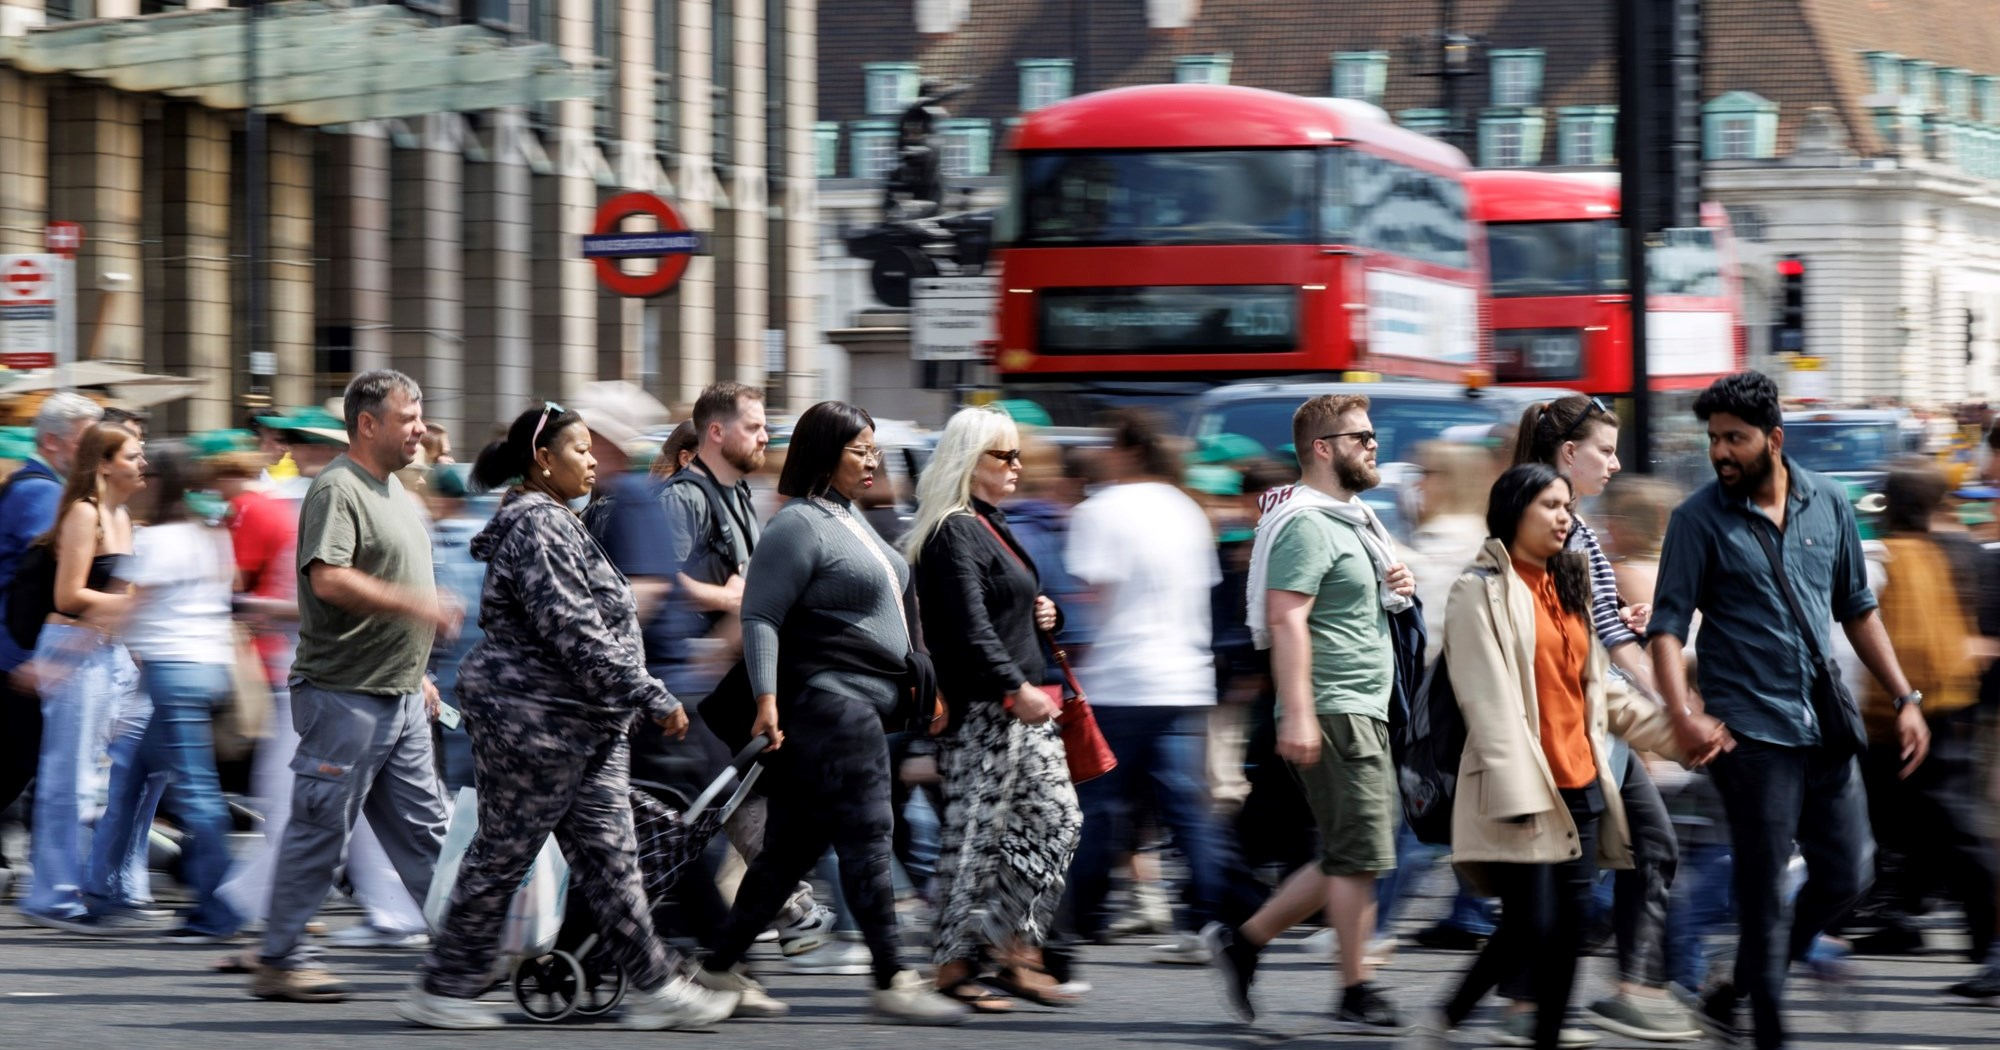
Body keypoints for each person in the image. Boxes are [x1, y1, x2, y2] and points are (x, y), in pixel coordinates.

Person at [399, 402, 735, 1031]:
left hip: (585, 726)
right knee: (503, 855)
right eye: (579, 449)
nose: (591, 460)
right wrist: (649, 693)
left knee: (614, 862)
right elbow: (575, 631)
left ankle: (656, 986)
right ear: (542, 460)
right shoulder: (538, 526)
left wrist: (630, 694)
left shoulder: (557, 519)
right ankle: (442, 987)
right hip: (538, 726)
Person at [1647, 371, 1925, 1050]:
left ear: (1774, 438)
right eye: (1713, 439)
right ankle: (1766, 1026)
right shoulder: (1697, 520)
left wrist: (1904, 696)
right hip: (1748, 730)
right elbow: (1666, 627)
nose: (1720, 452)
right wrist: (1682, 714)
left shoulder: (1829, 503)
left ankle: (1736, 986)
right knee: (1765, 887)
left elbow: (1858, 610)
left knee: (1849, 874)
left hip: (1824, 721)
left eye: (1735, 439)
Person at [696, 400, 969, 1026]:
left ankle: (716, 968)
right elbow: (760, 617)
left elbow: (895, 606)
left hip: (860, 708)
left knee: (788, 852)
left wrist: (926, 683)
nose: (872, 460)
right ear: (824, 454)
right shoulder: (797, 524)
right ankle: (893, 976)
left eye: (874, 449)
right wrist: (765, 701)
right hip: (828, 707)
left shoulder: (848, 517)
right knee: (871, 833)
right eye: (859, 450)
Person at [1407, 463, 1686, 1050]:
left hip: (1583, 782)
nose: (1565, 517)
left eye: (1568, 507)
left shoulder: (1568, 584)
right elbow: (1489, 705)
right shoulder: (1477, 591)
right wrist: (1521, 797)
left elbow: (1601, 691)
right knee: (1532, 925)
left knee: (1562, 932)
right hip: (1524, 788)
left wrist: (1680, 735)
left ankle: (1519, 1036)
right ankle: (1444, 1022)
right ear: (1513, 512)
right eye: (1550, 506)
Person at [1203, 394, 1413, 1033]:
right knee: (1362, 850)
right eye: (1360, 437)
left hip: (1363, 704)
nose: (1373, 445)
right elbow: (1286, 620)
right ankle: (1355, 987)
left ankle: (1246, 941)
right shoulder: (1306, 523)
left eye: (1373, 435)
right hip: (1334, 704)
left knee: (1357, 848)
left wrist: (1393, 589)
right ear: (1323, 449)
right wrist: (1298, 713)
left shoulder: (1350, 519)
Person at [251, 370, 458, 1002]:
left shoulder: (395, 491)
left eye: (421, 416)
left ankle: (466, 950)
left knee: (428, 834)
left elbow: (386, 577)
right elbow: (329, 579)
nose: (419, 428)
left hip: (396, 695)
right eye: (408, 418)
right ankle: (280, 959)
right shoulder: (337, 488)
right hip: (346, 696)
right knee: (321, 831)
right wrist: (419, 609)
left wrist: (416, 669)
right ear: (368, 424)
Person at [1511, 395, 1694, 1042]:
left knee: (1632, 852)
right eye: (1605, 451)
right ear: (1569, 454)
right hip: (1567, 724)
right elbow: (1598, 635)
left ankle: (1610, 992)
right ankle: (1540, 1006)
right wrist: (1673, 706)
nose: (1615, 464)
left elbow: (1601, 627)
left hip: (1585, 719)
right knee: (1575, 870)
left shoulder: (1570, 524)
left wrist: (1618, 632)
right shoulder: (1562, 524)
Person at [217, 408, 428, 955]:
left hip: (357, 683)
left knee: (325, 814)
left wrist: (253, 605)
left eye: (291, 442)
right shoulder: (337, 494)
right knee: (330, 816)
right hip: (348, 683)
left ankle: (446, 937)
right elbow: (335, 584)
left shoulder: (347, 496)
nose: (282, 449)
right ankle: (289, 933)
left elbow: (333, 586)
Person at [659, 382, 847, 973]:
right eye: (755, 426)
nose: (766, 436)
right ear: (716, 431)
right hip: (691, 680)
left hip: (734, 677)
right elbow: (656, 579)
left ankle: (771, 915)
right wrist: (733, 598)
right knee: (722, 799)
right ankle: (777, 912)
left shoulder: (739, 495)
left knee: (747, 795)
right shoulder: (683, 498)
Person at [1063, 409, 1259, 965]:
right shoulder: (1187, 509)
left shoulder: (1099, 510)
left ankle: (1080, 920)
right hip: (1182, 679)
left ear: (1126, 449)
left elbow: (1095, 598)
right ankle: (1206, 921)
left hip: (1120, 678)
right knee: (1186, 808)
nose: (1100, 452)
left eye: (1107, 442)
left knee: (1099, 804)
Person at [906, 406, 1080, 1011]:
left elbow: (996, 608)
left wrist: (1042, 612)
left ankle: (1011, 946)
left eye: (1016, 455)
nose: (1016, 465)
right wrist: (1015, 685)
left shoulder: (988, 522)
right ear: (967, 461)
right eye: (1002, 455)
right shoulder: (954, 528)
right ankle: (953, 963)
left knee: (1059, 822)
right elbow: (967, 628)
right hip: (989, 707)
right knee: (972, 839)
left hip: (1019, 706)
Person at [83, 446, 240, 942]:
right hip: (206, 671)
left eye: (147, 474)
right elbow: (228, 591)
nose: (141, 481)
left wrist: (59, 655)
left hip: (174, 677)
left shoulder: (160, 542)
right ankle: (103, 891)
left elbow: (126, 608)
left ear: (160, 483)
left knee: (197, 798)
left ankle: (219, 911)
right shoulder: (209, 536)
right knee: (129, 777)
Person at [1856, 458, 2000, 999]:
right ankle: (1912, 921)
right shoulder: (1951, 549)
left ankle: (1985, 943)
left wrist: (1896, 704)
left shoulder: (1903, 556)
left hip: (1917, 713)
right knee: (1933, 827)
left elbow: (1906, 649)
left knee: (1953, 829)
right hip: (1939, 708)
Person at [16, 422, 151, 932]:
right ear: (104, 464)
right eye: (134, 455)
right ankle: (52, 897)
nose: (143, 463)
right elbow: (68, 597)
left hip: (110, 653)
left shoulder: (123, 516)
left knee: (116, 774)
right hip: (75, 654)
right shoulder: (84, 513)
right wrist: (136, 603)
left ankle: (105, 881)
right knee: (68, 779)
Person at [0, 392, 102, 895]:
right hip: (19, 653)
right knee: (17, 764)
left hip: (23, 652)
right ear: (52, 441)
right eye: (88, 441)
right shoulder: (43, 494)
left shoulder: (42, 488)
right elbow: (59, 579)